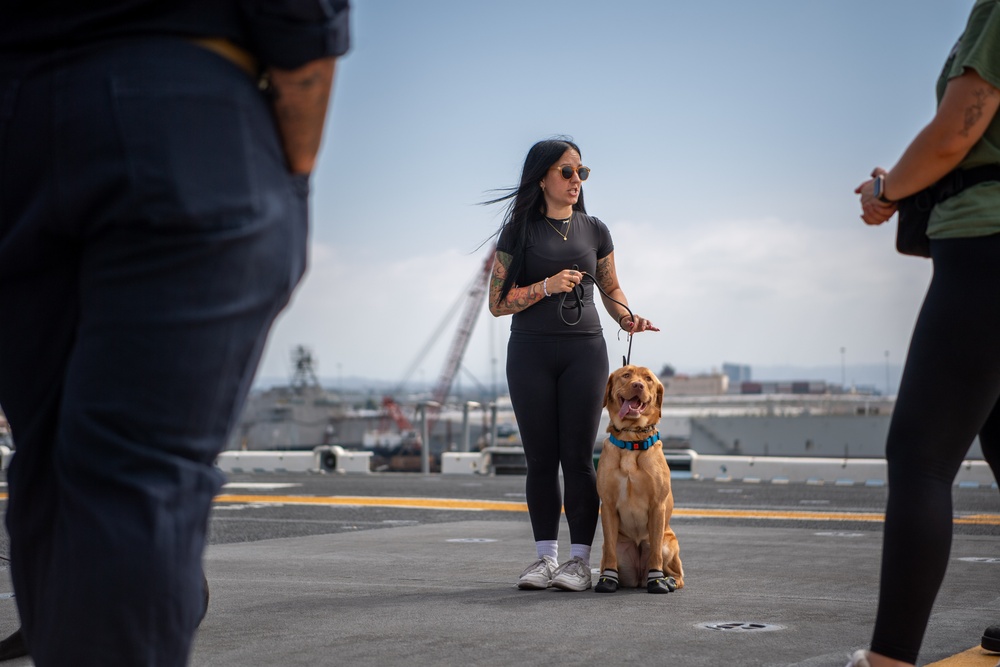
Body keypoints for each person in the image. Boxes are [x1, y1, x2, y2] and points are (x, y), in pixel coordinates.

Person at [0, 2, 350, 665]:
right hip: (183, 103)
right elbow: (301, 17)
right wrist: (296, 175)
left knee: (44, 461)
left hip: (13, 106)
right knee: (136, 477)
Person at [851, 2, 1000, 665]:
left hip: (987, 249)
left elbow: (957, 131)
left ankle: (888, 661)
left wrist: (889, 188)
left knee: (920, 458)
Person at [486, 138, 659, 592]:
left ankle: (580, 563)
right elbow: (497, 304)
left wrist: (627, 315)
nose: (575, 181)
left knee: (578, 460)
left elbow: (612, 287)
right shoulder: (519, 233)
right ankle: (545, 559)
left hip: (585, 353)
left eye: (581, 172)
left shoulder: (595, 229)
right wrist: (545, 286)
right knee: (541, 460)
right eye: (566, 172)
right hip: (530, 353)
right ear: (541, 177)